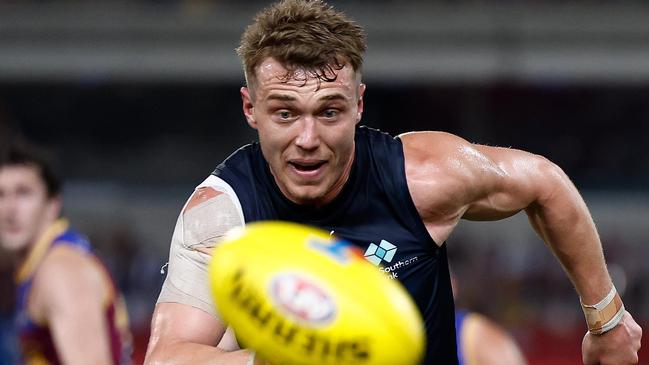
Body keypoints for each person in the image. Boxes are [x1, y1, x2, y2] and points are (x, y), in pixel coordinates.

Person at [144, 1, 642, 364]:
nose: (308, 138)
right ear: (251, 109)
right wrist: (285, 357)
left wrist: (608, 318)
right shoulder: (221, 212)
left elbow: (545, 183)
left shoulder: (421, 176)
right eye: (285, 113)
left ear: (359, 104)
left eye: (330, 112)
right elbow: (166, 359)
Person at [0, 138, 132, 365]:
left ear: (53, 205)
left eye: (23, 193)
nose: (10, 209)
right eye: (1, 195)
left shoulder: (61, 270)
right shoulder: (39, 266)